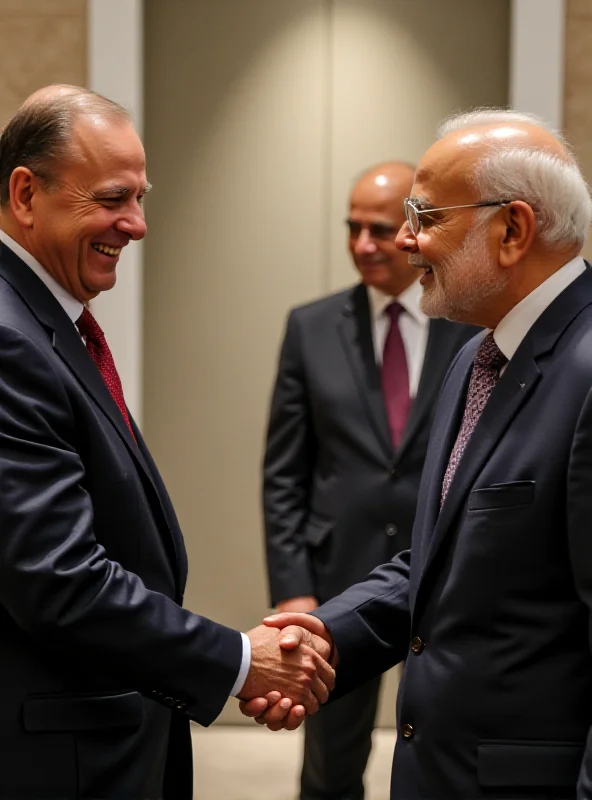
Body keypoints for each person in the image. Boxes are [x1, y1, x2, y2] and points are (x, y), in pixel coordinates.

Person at [243, 109, 592, 799]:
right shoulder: (477, 357)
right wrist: (322, 636)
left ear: (513, 230)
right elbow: (439, 562)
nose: (405, 240)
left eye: (425, 216)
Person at [0, 85, 334, 800]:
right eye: (113, 198)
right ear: (25, 194)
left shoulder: (44, 322)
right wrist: (240, 660)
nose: (138, 224)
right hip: (61, 759)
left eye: (142, 198)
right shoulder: (10, 338)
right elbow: (57, 579)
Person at [263, 161, 477, 799]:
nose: (362, 244)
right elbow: (283, 470)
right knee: (331, 760)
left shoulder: (467, 321)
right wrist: (295, 590)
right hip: (339, 577)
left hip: (443, 575)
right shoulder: (311, 326)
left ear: (413, 229)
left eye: (379, 229)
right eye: (352, 228)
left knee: (440, 743)